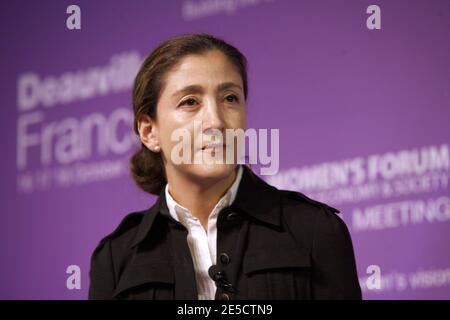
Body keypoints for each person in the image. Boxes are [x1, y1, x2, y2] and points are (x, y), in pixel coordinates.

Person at [88, 33, 362, 300]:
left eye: (230, 98)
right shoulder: (116, 257)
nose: (216, 121)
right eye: (190, 102)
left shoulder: (315, 230)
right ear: (149, 132)